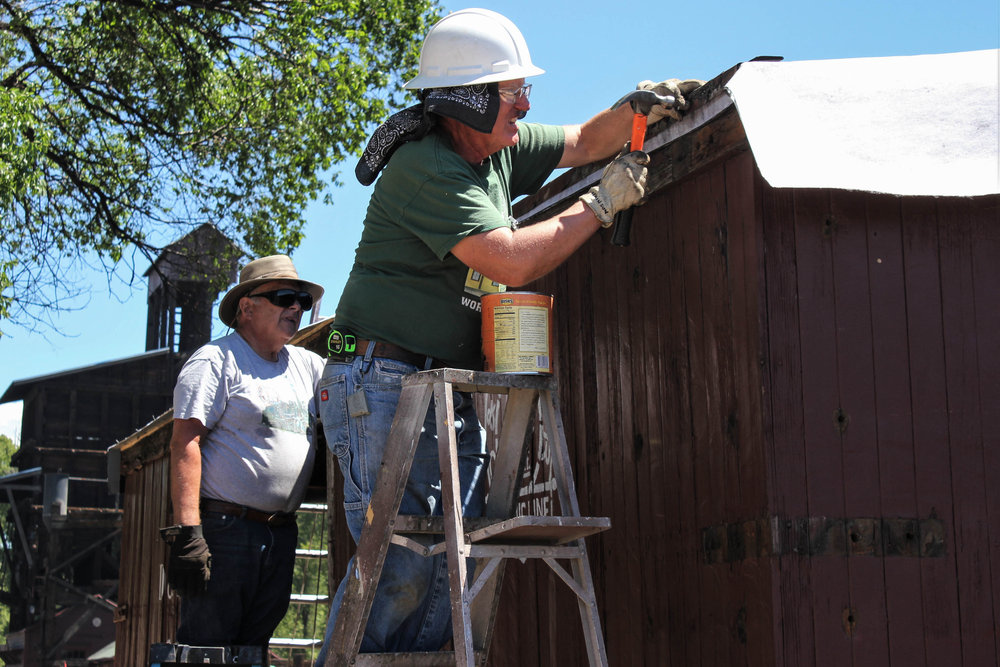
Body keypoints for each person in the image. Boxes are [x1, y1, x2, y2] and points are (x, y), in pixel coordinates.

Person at [314, 8, 702, 662]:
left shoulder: (496, 151)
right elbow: (512, 259)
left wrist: (638, 108)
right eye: (511, 90)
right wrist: (600, 206)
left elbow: (583, 140)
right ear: (466, 100)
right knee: (401, 566)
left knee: (448, 570)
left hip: (443, 385)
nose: (525, 102)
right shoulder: (425, 167)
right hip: (378, 381)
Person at [162, 254, 326, 659]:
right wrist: (188, 534)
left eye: (302, 301)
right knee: (208, 648)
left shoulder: (308, 365)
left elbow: (353, 392)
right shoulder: (216, 361)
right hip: (226, 531)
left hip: (281, 532)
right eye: (284, 297)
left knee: (254, 650)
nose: (296, 308)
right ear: (246, 308)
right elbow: (185, 442)